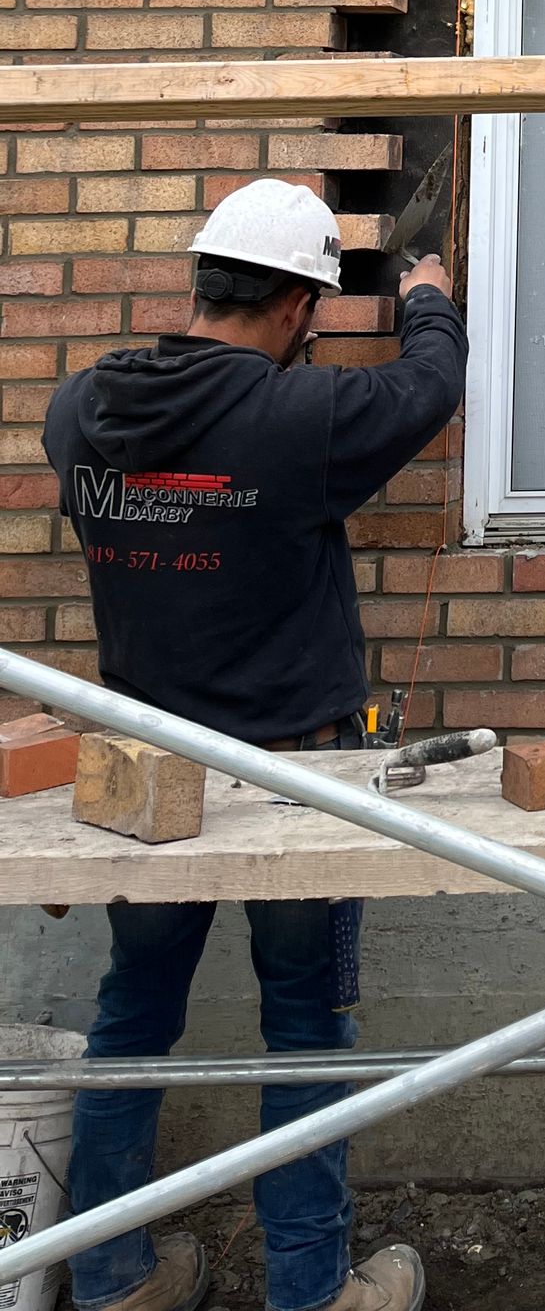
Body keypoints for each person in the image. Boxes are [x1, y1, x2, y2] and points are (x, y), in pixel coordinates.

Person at [43, 177, 469, 1311]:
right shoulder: (298, 421)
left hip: (148, 771)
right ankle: (311, 1290)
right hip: (294, 775)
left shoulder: (79, 409)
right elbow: (429, 386)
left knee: (133, 1017)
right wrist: (428, 294)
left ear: (202, 283)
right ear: (296, 308)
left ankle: (113, 1279)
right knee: (304, 1027)